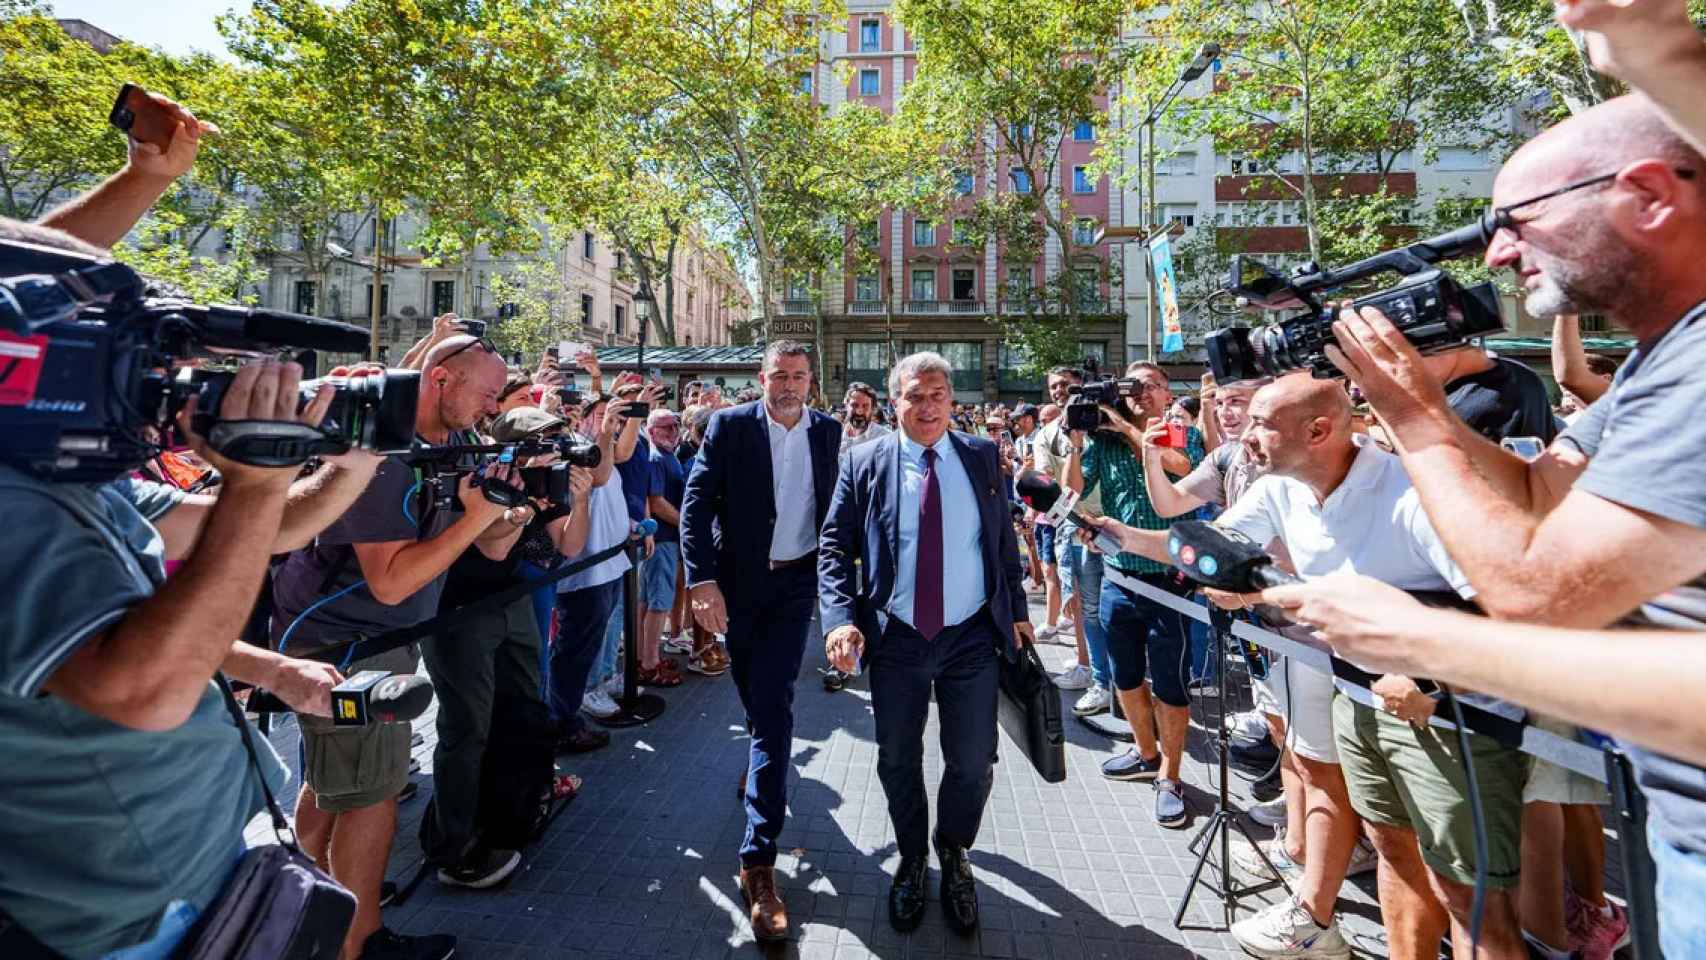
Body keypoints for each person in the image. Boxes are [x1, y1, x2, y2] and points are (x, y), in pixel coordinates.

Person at [1323, 92, 1706, 956]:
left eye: (1519, 223)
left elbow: (1536, 589)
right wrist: (1420, 408)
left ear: (1645, 195)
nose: (1497, 254)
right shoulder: (1659, 361)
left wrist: (1415, 422)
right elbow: (1540, 493)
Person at [1091, 375, 1528, 960]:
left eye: (1261, 424)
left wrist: (1427, 677)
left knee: (1470, 897)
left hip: (1449, 715)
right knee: (1391, 850)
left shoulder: (1414, 492)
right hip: (1357, 695)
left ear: (1319, 430)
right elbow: (1213, 546)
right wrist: (1123, 537)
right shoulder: (1279, 488)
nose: (1243, 437)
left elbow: (1504, 604)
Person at [0, 356, 379, 960]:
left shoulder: (78, 477)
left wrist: (356, 464)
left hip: (208, 850)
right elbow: (144, 691)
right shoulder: (14, 496)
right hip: (133, 906)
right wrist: (254, 479)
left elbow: (266, 529)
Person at [269, 335, 518, 960]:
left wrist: (511, 513)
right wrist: (476, 519)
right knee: (372, 795)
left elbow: (489, 549)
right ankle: (359, 943)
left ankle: (302, 910)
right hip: (343, 644)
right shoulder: (384, 454)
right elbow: (391, 582)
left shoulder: (457, 445)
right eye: (487, 393)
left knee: (337, 783)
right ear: (441, 380)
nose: (492, 407)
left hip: (380, 638)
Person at [818, 351, 1034, 937]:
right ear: (896, 403)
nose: (928, 405)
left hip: (969, 637)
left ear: (952, 401)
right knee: (897, 757)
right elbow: (834, 547)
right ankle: (912, 859)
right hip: (897, 637)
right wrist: (839, 619)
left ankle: (953, 851)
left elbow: (1001, 544)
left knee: (973, 761)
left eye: (938, 394)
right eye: (915, 395)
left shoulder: (983, 456)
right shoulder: (865, 461)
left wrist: (1015, 611)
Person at [679, 341, 842, 942]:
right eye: (780, 375)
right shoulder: (728, 426)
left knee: (773, 712)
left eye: (799, 376)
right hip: (738, 585)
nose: (789, 385)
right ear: (762, 376)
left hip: (797, 585)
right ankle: (761, 768)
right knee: (756, 705)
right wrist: (702, 581)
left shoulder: (827, 433)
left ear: (811, 382)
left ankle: (757, 862)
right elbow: (695, 507)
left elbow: (838, 511)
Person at [418, 406, 594, 889]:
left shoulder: (544, 485)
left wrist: (581, 498)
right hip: (461, 611)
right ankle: (454, 846)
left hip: (511, 599)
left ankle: (509, 813)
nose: (558, 451)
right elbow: (492, 544)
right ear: (519, 446)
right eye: (548, 442)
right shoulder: (483, 474)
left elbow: (571, 546)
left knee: (521, 711)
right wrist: (525, 504)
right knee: (466, 726)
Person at [1063, 361, 1204, 827]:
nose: (1139, 393)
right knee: (1125, 677)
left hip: (1170, 580)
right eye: (1131, 387)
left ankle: (1172, 774)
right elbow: (1074, 490)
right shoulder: (1103, 440)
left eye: (1149, 386)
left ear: (1168, 393)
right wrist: (1077, 440)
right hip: (1119, 577)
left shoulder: (1179, 431)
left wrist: (1118, 418)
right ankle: (1145, 753)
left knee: (1170, 682)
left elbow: (1176, 465)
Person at [548, 390, 646, 743]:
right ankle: (563, 722)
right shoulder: (570, 446)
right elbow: (600, 476)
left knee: (588, 646)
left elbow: (617, 464)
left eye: (614, 417)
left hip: (608, 564)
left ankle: (566, 714)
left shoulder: (601, 448)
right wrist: (605, 429)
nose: (610, 422)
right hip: (584, 573)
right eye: (603, 414)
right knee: (574, 651)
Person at [1033, 367, 1112, 711]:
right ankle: (1088, 666)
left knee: (1117, 606)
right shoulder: (1047, 435)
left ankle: (1112, 675)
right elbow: (1049, 483)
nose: (1060, 391)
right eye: (1054, 386)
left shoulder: (1106, 424)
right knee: (1081, 603)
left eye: (1067, 385)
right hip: (1075, 528)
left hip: (1120, 528)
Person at [640, 408, 686, 686]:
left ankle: (646, 656)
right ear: (651, 431)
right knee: (658, 602)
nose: (672, 431)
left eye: (675, 426)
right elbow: (655, 502)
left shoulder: (667, 455)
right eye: (665, 427)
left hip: (665, 539)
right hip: (663, 539)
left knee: (649, 600)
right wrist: (685, 524)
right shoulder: (657, 458)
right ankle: (649, 662)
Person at [841, 380, 892, 449]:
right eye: (854, 405)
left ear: (873, 409)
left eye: (865, 406)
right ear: (846, 405)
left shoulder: (885, 438)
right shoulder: (835, 435)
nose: (859, 411)